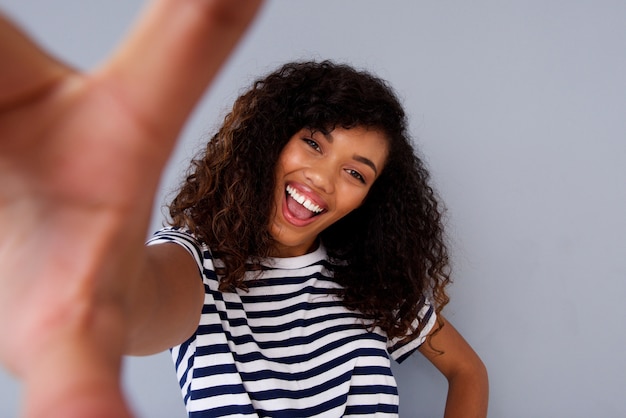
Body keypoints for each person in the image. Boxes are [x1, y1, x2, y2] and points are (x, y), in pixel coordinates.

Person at [0, 1, 488, 417]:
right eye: (313, 144)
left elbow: (467, 370)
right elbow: (139, 304)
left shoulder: (371, 282)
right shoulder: (196, 263)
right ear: (272, 141)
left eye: (356, 172)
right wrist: (93, 281)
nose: (321, 179)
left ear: (372, 198)